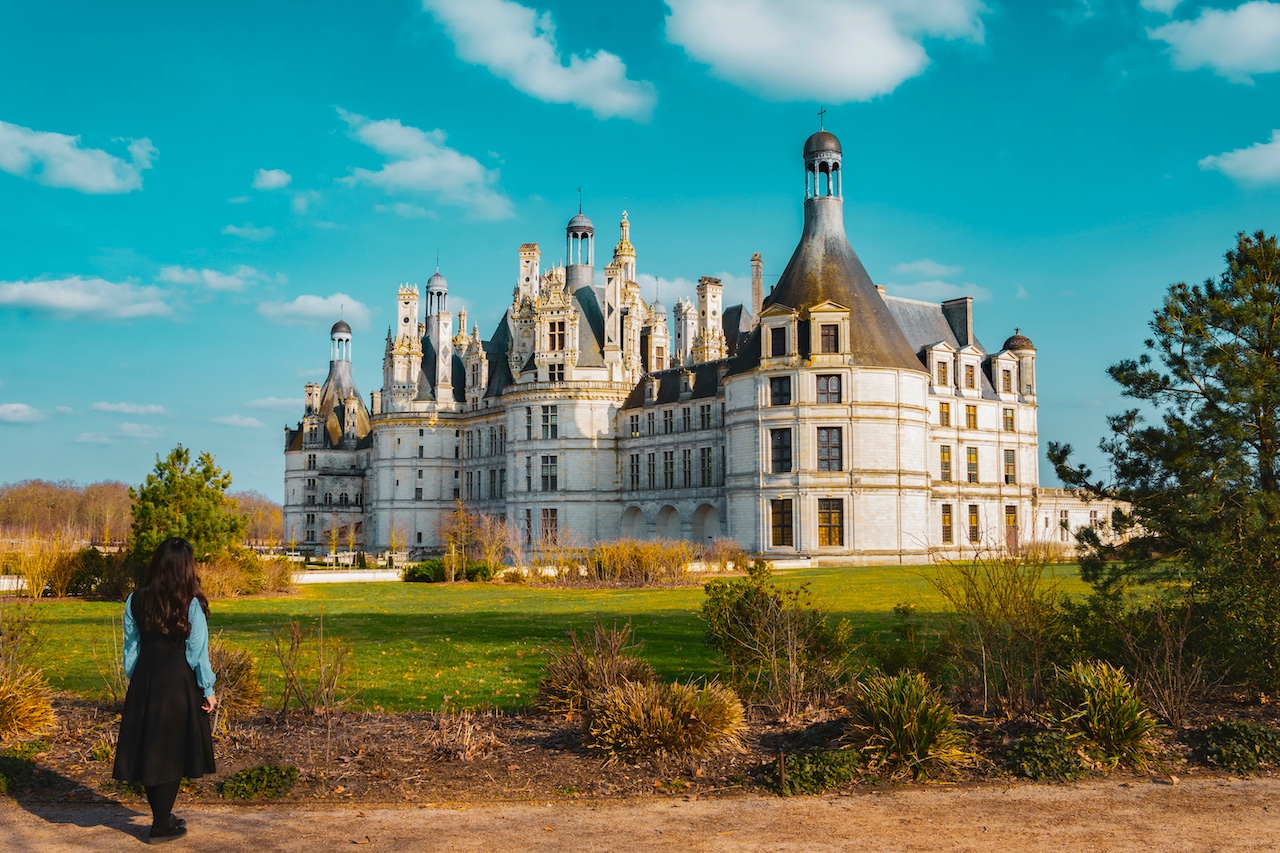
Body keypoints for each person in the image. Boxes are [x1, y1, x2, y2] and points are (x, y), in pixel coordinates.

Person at [112, 537, 217, 844]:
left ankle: (162, 818)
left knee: (150, 747)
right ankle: (160, 824)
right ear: (186, 567)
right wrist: (207, 688)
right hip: (178, 681)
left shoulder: (135, 599)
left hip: (146, 678)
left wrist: (137, 680)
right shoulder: (191, 603)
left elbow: (130, 648)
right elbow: (197, 652)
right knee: (171, 749)